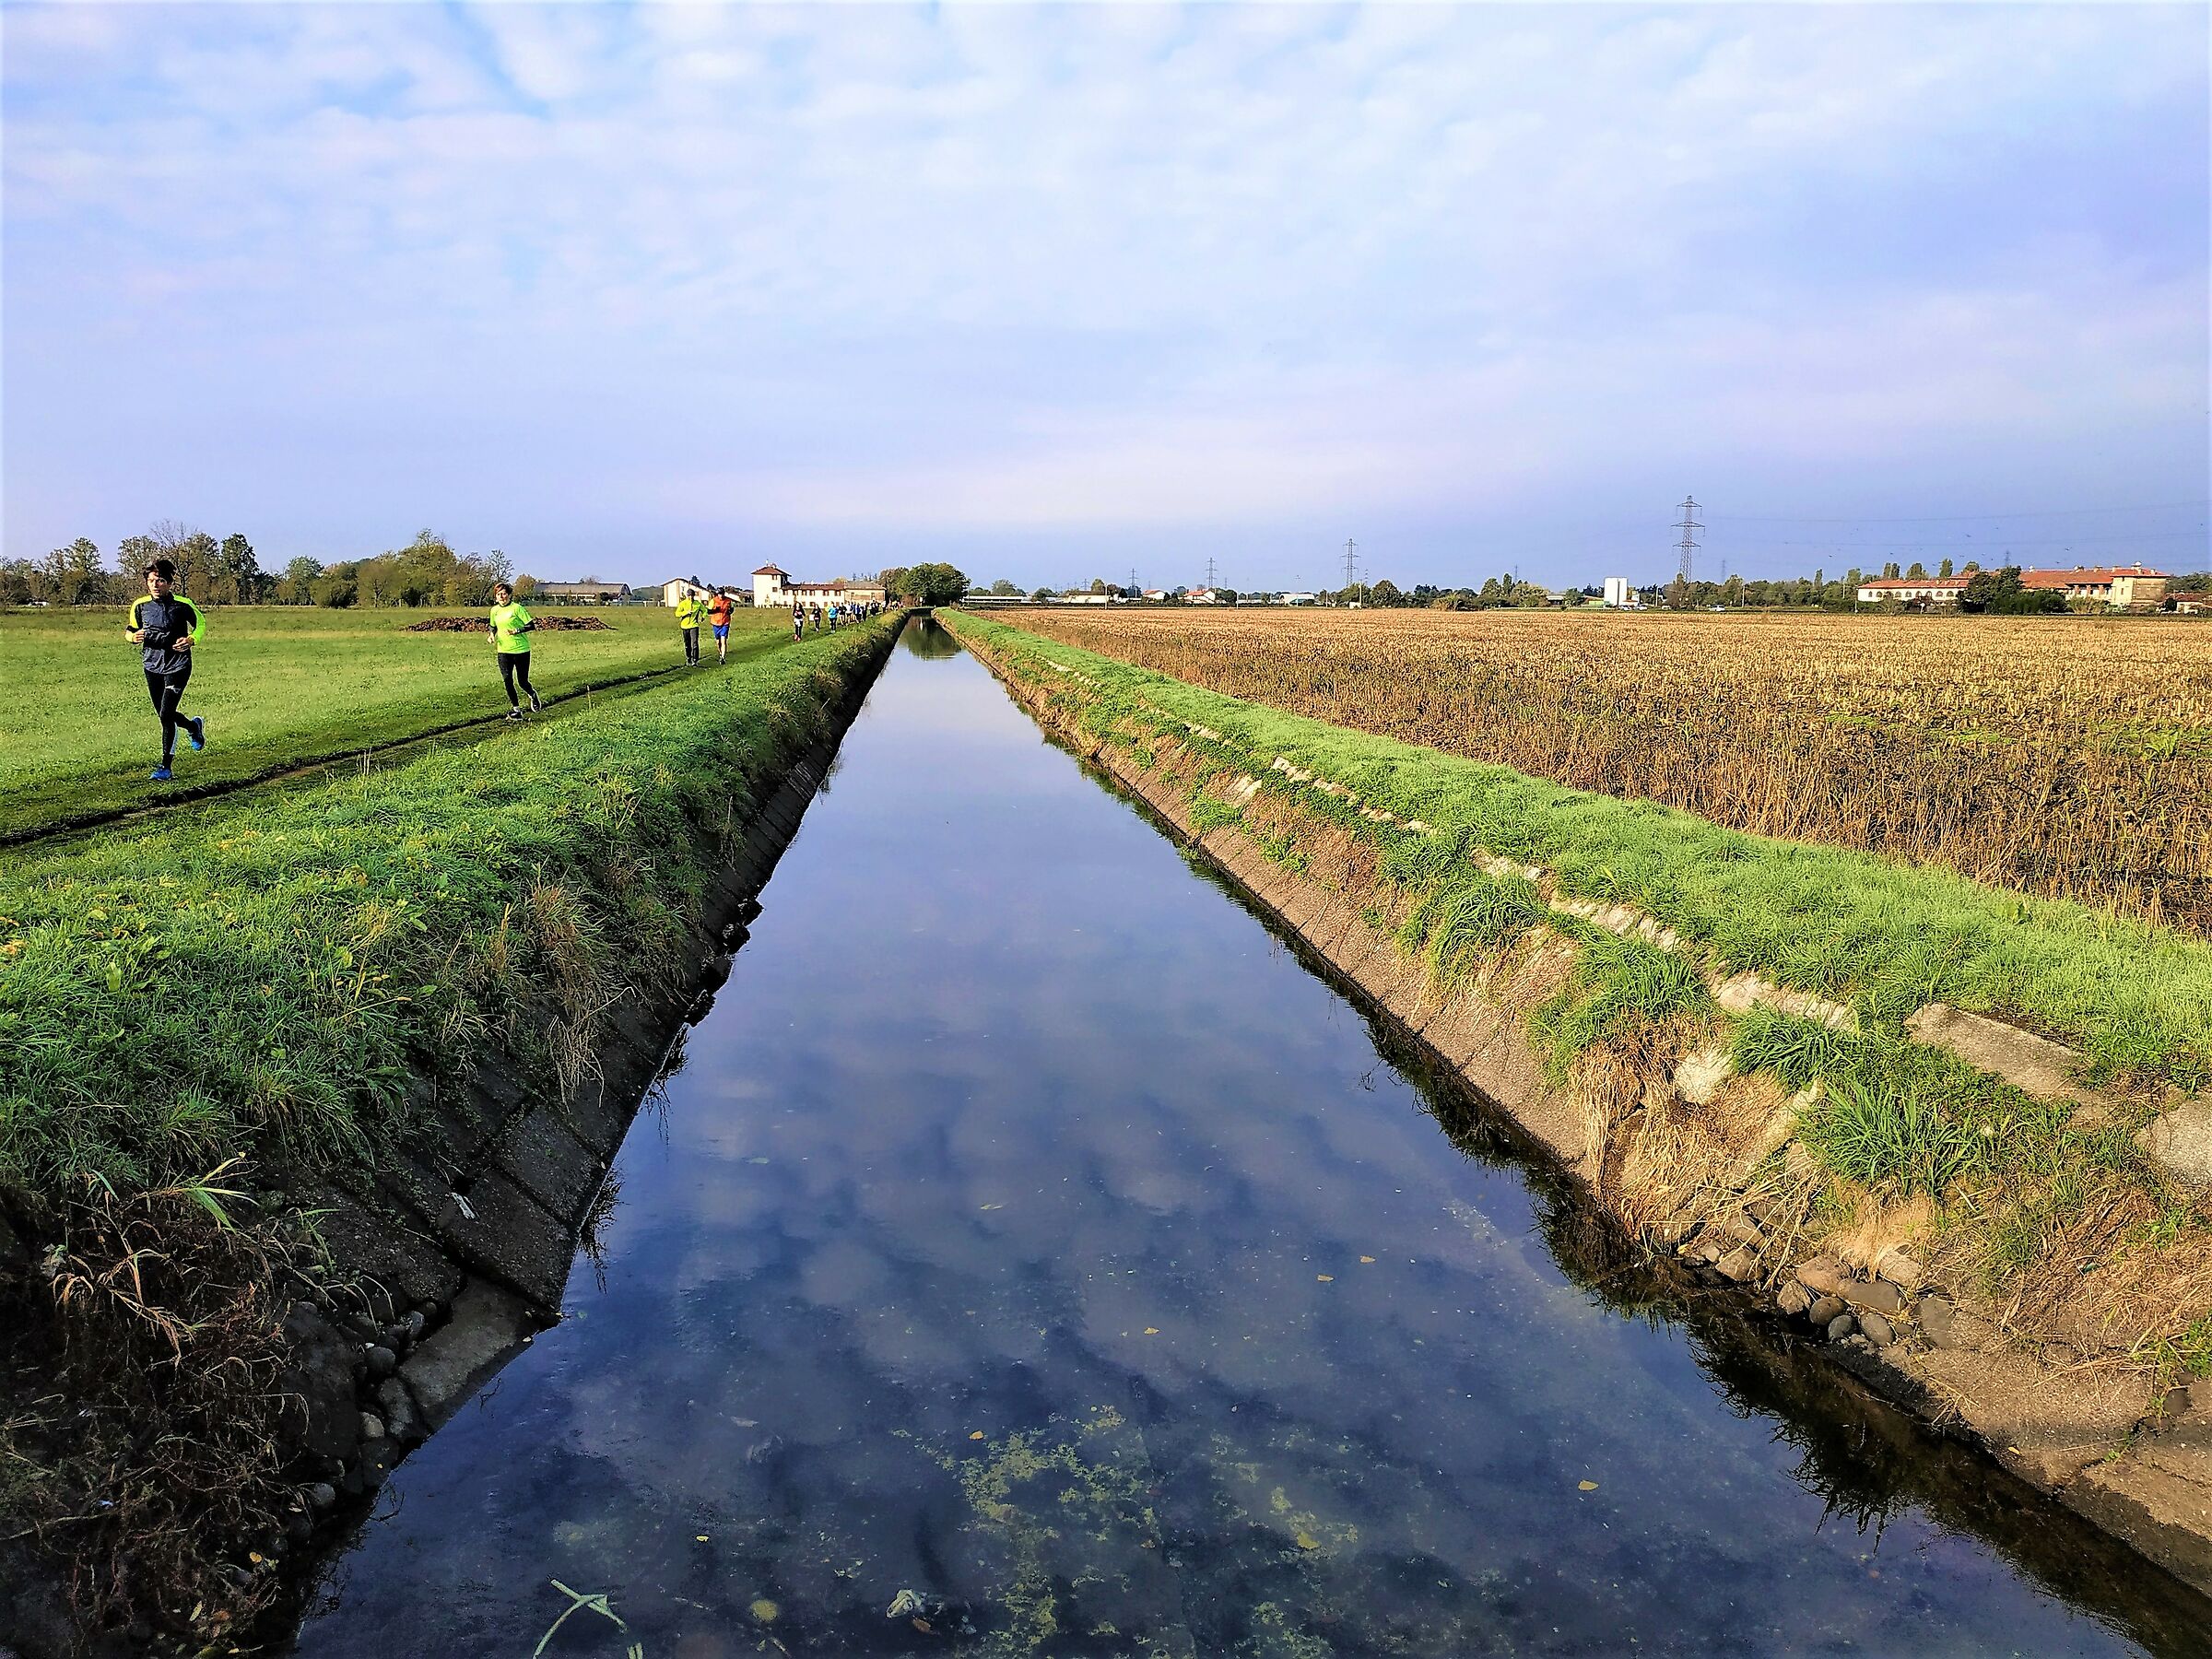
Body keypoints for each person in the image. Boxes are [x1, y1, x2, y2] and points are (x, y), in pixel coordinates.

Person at [124, 558, 206, 782]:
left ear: (169, 583)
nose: (155, 585)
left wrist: (191, 640)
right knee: (163, 714)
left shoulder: (183, 604)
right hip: (151, 665)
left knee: (167, 714)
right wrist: (133, 637)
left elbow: (201, 624)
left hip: (178, 665)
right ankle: (193, 727)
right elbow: (130, 630)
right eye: (151, 581)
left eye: (159, 581)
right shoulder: (139, 606)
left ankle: (165, 767)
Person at [488, 581, 541, 718]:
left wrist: (516, 631)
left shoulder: (517, 608)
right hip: (503, 651)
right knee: (507, 680)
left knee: (522, 681)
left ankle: (532, 694)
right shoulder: (494, 610)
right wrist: (491, 635)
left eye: (504, 594)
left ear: (509, 595)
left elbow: (531, 626)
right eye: (499, 594)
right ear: (496, 596)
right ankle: (516, 710)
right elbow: (492, 625)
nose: (502, 597)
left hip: (521, 650)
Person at [676, 588, 704, 664]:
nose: (690, 597)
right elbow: (677, 614)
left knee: (695, 643)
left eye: (692, 595)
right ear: (687, 596)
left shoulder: (697, 604)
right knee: (687, 644)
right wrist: (686, 613)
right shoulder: (683, 603)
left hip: (694, 625)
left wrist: (703, 616)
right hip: (685, 626)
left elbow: (704, 611)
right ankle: (688, 658)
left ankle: (695, 660)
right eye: (689, 596)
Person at [707, 586, 735, 662]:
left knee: (723, 640)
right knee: (718, 641)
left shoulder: (728, 601)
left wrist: (730, 611)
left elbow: (731, 609)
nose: (721, 595)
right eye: (719, 594)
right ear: (717, 594)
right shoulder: (713, 601)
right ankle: (720, 652)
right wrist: (716, 610)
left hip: (725, 622)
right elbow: (708, 612)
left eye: (722, 594)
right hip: (716, 623)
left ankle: (723, 657)